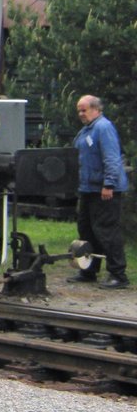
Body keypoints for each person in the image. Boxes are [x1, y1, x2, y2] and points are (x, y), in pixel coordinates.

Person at [69, 95, 130, 288]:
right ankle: (89, 270)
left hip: (103, 189)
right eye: (79, 110)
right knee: (86, 230)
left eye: (84, 110)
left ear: (95, 109)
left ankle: (118, 274)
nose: (80, 114)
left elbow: (112, 157)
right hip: (88, 188)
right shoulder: (86, 130)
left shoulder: (103, 128)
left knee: (106, 231)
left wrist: (109, 184)